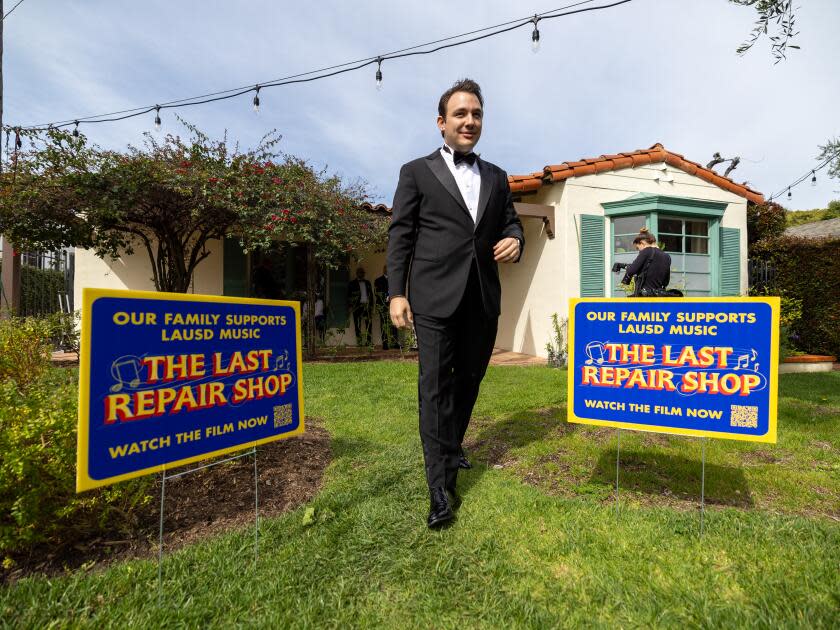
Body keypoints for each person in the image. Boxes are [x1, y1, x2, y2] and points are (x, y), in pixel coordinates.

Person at [387, 78, 525, 528]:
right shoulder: (416, 172)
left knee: (468, 381)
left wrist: (515, 241)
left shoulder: (498, 177)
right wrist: (396, 292)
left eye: (477, 114)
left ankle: (451, 445)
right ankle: (440, 489)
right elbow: (400, 236)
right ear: (441, 123)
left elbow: (511, 224)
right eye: (461, 114)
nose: (470, 121)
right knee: (434, 388)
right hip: (432, 298)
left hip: (482, 298)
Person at [619, 227, 671, 296]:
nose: (639, 250)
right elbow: (666, 281)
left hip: (644, 296)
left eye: (638, 248)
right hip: (658, 296)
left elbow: (631, 270)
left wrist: (625, 266)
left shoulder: (646, 251)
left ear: (642, 243)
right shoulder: (667, 256)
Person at [347, 267, 373, 345]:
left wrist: (371, 306)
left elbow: (371, 294)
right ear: (357, 273)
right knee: (357, 325)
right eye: (360, 272)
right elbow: (349, 295)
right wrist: (350, 306)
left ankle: (368, 342)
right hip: (357, 306)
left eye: (363, 272)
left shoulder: (368, 282)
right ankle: (359, 342)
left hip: (367, 306)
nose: (361, 274)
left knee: (369, 324)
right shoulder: (352, 283)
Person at [374, 266, 395, 350]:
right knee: (384, 324)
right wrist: (386, 298)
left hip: (393, 305)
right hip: (383, 305)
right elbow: (377, 293)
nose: (388, 270)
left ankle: (394, 342)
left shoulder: (394, 279)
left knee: (394, 323)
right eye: (386, 269)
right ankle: (385, 343)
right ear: (384, 270)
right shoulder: (378, 280)